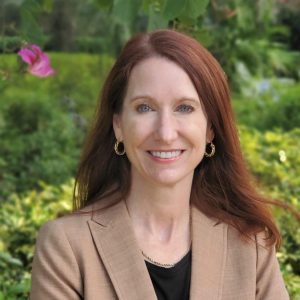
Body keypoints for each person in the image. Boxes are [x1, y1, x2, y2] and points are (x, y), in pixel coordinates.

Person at [30, 29, 289, 300]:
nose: (165, 133)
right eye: (144, 108)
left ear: (210, 128)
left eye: (185, 108)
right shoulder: (67, 247)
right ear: (118, 125)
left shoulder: (250, 244)